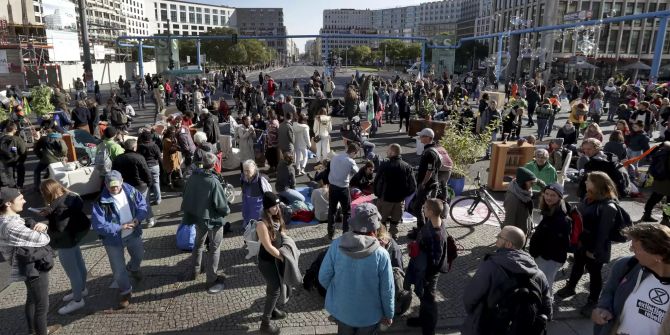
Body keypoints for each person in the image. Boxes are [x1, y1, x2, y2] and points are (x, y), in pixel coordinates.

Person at [319, 202, 395, 334]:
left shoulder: (337, 245)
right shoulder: (382, 254)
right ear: (375, 227)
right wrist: (389, 314)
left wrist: (338, 294)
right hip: (369, 315)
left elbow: (323, 277)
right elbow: (387, 290)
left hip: (343, 311)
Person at [461, 226, 552, 335]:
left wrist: (474, 314)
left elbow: (470, 298)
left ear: (509, 244)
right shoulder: (538, 274)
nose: (496, 240)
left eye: (499, 237)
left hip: (489, 327)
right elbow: (546, 305)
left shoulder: (490, 266)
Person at [556, 171, 620, 317]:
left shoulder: (608, 207)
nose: (585, 182)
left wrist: (595, 252)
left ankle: (593, 300)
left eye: (588, 181)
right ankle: (570, 287)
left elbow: (603, 233)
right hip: (582, 242)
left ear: (597, 184)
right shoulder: (588, 197)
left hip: (595, 248)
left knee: (594, 274)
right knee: (577, 266)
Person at [0, 188, 61, 335]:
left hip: (25, 264)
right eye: (20, 198)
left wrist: (32, 225)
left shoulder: (7, 219)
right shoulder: (11, 226)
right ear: (8, 203)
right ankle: (42, 332)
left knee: (32, 299)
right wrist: (43, 227)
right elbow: (43, 239)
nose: (25, 201)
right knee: (42, 305)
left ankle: (32, 331)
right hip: (33, 265)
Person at [591, 223, 670, 335]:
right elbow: (609, 291)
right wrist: (602, 308)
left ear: (658, 256)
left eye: (635, 248)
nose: (630, 249)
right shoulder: (627, 266)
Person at [91, 170, 148, 309]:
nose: (114, 188)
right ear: (105, 185)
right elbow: (98, 226)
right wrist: (119, 227)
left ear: (122, 181)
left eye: (116, 185)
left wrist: (138, 219)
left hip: (133, 233)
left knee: (140, 255)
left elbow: (142, 205)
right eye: (111, 186)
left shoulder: (131, 190)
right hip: (113, 240)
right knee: (118, 269)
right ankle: (125, 292)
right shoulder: (100, 201)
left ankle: (133, 268)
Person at [38, 180, 90, 315]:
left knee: (73, 272)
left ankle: (78, 300)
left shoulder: (60, 207)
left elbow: (60, 229)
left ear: (48, 192)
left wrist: (46, 228)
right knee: (79, 266)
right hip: (75, 237)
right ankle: (82, 289)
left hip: (65, 242)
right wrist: (50, 213)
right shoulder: (71, 197)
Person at [182, 152, 230, 293]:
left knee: (198, 243)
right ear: (215, 164)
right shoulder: (213, 181)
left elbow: (186, 194)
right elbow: (221, 205)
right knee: (214, 247)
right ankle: (211, 279)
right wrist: (226, 210)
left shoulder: (193, 177)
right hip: (213, 219)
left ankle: (195, 270)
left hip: (198, 217)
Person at [405, 199, 450, 335]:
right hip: (424, 270)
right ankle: (422, 319)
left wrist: (426, 277)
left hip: (428, 274)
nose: (423, 210)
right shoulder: (433, 222)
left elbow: (435, 260)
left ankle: (429, 330)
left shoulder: (436, 235)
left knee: (429, 300)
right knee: (423, 297)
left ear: (430, 212)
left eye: (425, 208)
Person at [528, 183, 571, 296]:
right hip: (543, 256)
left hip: (549, 259)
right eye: (546, 194)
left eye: (553, 195)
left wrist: (539, 253)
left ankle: (546, 308)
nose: (548, 197)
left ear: (559, 197)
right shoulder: (549, 210)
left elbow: (561, 243)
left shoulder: (561, 218)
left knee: (545, 284)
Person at [255, 192, 288, 334]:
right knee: (275, 289)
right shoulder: (261, 224)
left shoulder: (276, 216)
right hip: (267, 262)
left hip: (275, 259)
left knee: (273, 286)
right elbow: (268, 246)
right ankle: (265, 324)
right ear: (267, 207)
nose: (276, 208)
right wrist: (281, 256)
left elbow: (282, 233)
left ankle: (273, 310)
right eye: (273, 206)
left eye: (277, 205)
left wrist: (288, 244)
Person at [374, 143, 416, 239]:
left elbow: (377, 182)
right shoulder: (407, 166)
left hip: (385, 198)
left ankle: (381, 235)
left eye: (388, 150)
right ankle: (394, 234)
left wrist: (378, 194)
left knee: (381, 219)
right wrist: (404, 195)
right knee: (395, 219)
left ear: (393, 152)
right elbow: (413, 185)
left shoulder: (384, 165)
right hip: (399, 199)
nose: (386, 151)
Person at [112, 139, 154, 228]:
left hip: (125, 186)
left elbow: (114, 173)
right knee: (144, 203)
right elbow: (146, 172)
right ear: (134, 147)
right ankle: (149, 220)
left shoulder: (118, 159)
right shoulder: (139, 157)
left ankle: (132, 222)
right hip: (140, 185)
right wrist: (149, 183)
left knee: (130, 205)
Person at [327, 143, 360, 240]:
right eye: (356, 154)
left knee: (332, 211)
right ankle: (345, 232)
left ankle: (330, 233)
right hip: (343, 188)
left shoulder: (335, 157)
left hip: (332, 187)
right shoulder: (351, 161)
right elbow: (357, 172)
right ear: (354, 152)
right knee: (347, 212)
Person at [411, 128, 441, 232]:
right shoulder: (430, 150)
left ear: (429, 138)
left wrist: (423, 183)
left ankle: (422, 229)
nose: (420, 138)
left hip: (427, 185)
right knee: (424, 207)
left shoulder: (430, 153)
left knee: (418, 207)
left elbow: (430, 170)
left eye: (422, 136)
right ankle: (424, 227)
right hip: (429, 183)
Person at [502, 167, 537, 236]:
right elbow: (509, 221)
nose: (533, 186)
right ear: (523, 183)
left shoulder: (524, 191)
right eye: (531, 183)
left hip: (523, 228)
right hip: (516, 234)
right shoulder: (512, 199)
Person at [641, 141, 670, 222]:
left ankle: (646, 214)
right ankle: (666, 219)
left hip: (658, 180)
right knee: (669, 203)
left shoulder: (660, 152)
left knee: (654, 198)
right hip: (667, 181)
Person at [241, 160, 273, 228]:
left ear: (254, 168)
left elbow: (269, 195)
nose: (246, 173)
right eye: (244, 170)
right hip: (248, 215)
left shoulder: (261, 180)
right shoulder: (243, 179)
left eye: (248, 170)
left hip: (259, 215)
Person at [137, 131, 162, 205]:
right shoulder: (155, 146)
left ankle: (146, 200)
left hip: (145, 167)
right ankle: (158, 199)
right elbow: (159, 156)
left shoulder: (140, 146)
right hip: (154, 166)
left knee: (146, 183)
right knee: (156, 182)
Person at [0, 122, 27, 188]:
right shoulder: (17, 139)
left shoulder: (1, 139)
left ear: (6, 129)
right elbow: (23, 152)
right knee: (21, 172)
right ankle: (20, 186)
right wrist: (21, 161)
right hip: (17, 160)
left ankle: (12, 188)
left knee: (10, 176)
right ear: (14, 129)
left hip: (5, 162)